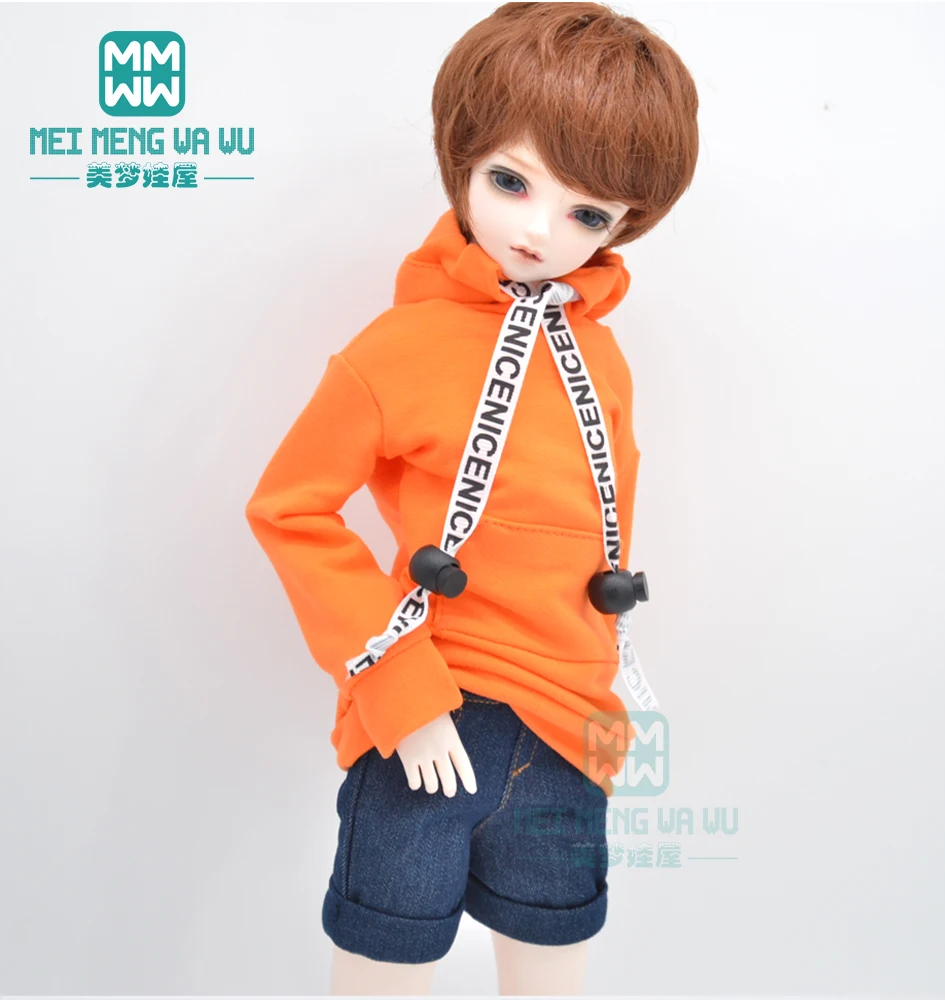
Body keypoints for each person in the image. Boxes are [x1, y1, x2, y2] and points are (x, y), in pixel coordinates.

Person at [244, 3, 699, 994]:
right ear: (462, 157)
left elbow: (602, 536)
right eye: (510, 180)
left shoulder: (601, 357)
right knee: (384, 968)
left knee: (554, 971)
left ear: (626, 223)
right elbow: (289, 509)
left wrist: (604, 702)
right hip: (434, 715)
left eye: (588, 214)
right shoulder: (397, 350)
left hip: (570, 728)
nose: (539, 229)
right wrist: (396, 686)